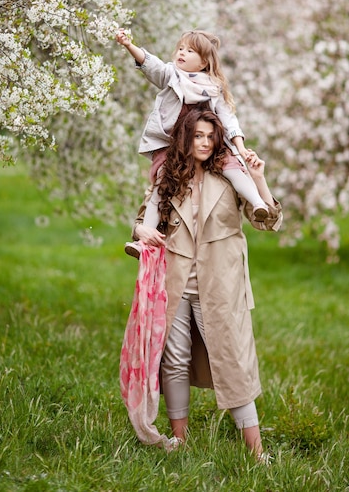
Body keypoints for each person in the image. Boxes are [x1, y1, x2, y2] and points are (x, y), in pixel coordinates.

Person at [131, 106, 282, 460]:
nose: (204, 143)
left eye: (210, 137)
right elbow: (143, 219)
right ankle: (178, 439)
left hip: (221, 283)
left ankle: (257, 453)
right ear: (185, 138)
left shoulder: (231, 173)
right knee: (175, 358)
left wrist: (259, 179)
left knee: (233, 360)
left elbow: (268, 222)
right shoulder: (170, 175)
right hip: (175, 280)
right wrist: (139, 231)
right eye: (197, 136)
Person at [115, 28, 269, 259]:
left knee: (235, 170)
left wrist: (240, 147)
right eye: (180, 49)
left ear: (204, 63)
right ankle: (143, 240)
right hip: (172, 145)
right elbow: (152, 64)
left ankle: (258, 204)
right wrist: (129, 45)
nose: (182, 53)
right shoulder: (171, 75)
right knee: (161, 184)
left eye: (190, 51)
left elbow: (228, 119)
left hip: (209, 144)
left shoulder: (213, 88)